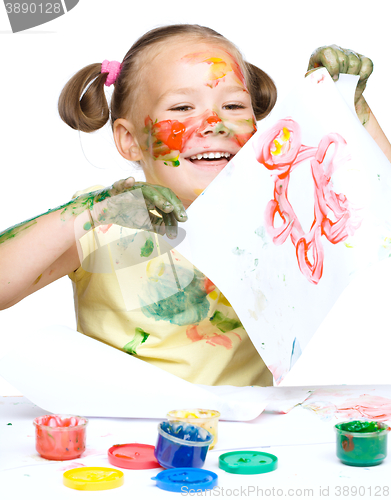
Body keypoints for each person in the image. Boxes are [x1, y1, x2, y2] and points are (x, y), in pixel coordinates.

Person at [0, 25, 390, 387]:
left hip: (242, 444)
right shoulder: (105, 222)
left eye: (235, 107)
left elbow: (379, 202)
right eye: (182, 108)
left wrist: (350, 112)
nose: (214, 123)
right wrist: (92, 211)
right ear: (130, 140)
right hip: (124, 443)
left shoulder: (276, 217)